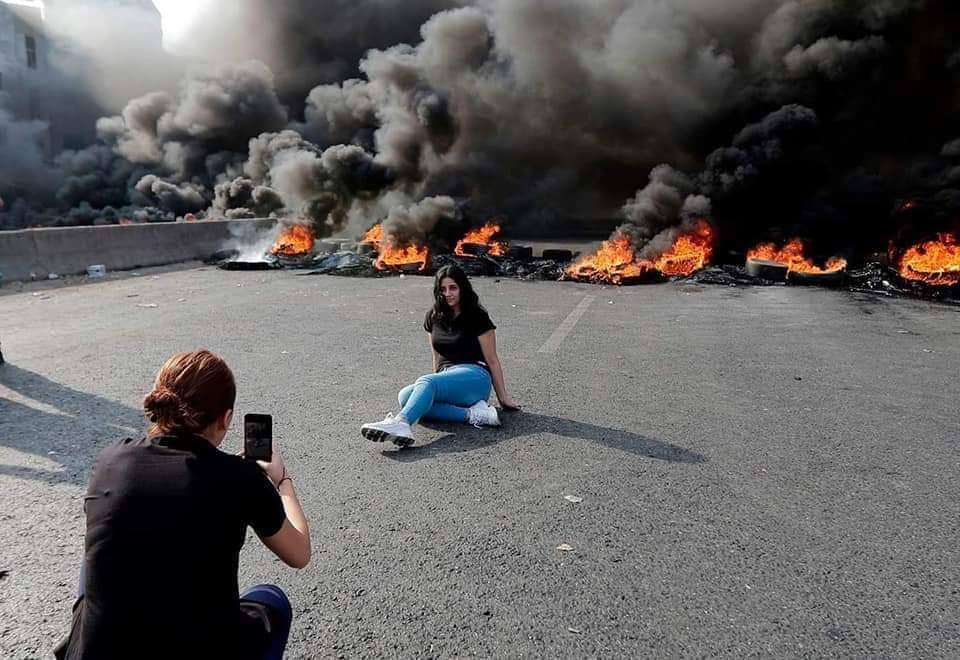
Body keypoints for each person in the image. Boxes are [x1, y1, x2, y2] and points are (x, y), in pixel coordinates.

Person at [55, 349, 311, 660]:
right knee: (273, 600)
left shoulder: (111, 459)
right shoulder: (238, 478)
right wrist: (283, 482)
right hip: (197, 647)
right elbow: (299, 554)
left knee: (100, 556)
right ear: (226, 419)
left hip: (97, 652)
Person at [361, 264, 520, 447]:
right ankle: (476, 415)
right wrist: (436, 384)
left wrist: (503, 397)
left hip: (475, 377)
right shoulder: (434, 316)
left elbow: (492, 359)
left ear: (462, 288)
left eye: (453, 288)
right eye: (443, 289)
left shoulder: (477, 316)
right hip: (448, 375)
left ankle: (401, 423)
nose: (448, 293)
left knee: (425, 384)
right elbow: (436, 356)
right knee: (405, 397)